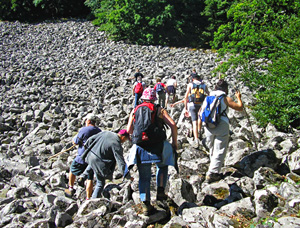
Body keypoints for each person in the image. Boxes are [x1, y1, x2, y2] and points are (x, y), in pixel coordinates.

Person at [126, 88, 178, 216]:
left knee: (144, 176)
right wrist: (174, 143)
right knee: (163, 166)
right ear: (154, 98)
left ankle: (146, 205)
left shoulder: (135, 110)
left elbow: (129, 130)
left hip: (141, 147)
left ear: (142, 98)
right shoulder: (160, 110)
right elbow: (173, 124)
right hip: (158, 145)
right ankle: (160, 191)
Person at [200, 79, 243, 183]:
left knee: (211, 147)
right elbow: (239, 107)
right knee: (220, 149)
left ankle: (212, 167)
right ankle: (213, 173)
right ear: (225, 89)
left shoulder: (208, 97)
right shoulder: (224, 98)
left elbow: (201, 111)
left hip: (208, 124)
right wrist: (238, 98)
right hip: (221, 123)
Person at [80, 129, 131, 198]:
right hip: (99, 162)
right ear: (123, 137)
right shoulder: (116, 144)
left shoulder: (106, 132)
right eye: (126, 140)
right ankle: (93, 200)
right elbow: (120, 162)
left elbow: (91, 139)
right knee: (100, 183)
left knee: (93, 163)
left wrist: (87, 147)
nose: (124, 141)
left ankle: (83, 175)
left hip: (90, 156)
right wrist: (127, 176)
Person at [65, 113, 102, 199]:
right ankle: (88, 198)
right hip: (93, 158)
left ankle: (71, 188)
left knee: (72, 170)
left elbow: (76, 142)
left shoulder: (84, 130)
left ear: (88, 121)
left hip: (82, 157)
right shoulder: (99, 131)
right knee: (90, 178)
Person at [184, 73, 209, 147]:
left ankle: (196, 138)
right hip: (201, 105)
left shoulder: (190, 85)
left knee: (194, 122)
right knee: (199, 119)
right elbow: (209, 95)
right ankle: (199, 131)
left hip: (192, 105)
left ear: (193, 79)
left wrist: (186, 109)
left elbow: (185, 97)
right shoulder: (204, 85)